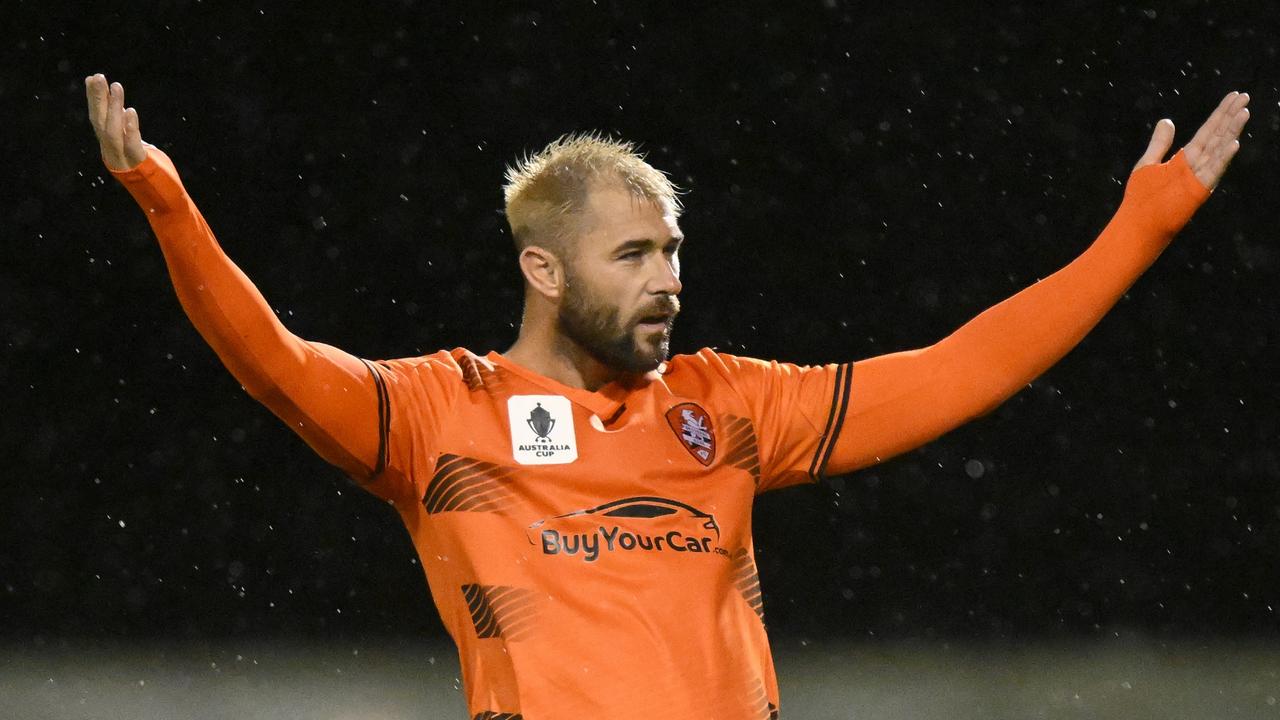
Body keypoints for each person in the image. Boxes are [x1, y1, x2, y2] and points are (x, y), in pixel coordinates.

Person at [85, 72, 1249, 719]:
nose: (668, 284)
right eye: (633, 256)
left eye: (673, 253)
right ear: (542, 270)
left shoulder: (725, 408)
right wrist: (167, 205)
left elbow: (956, 370)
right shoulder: (439, 416)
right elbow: (273, 361)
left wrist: (1134, 233)